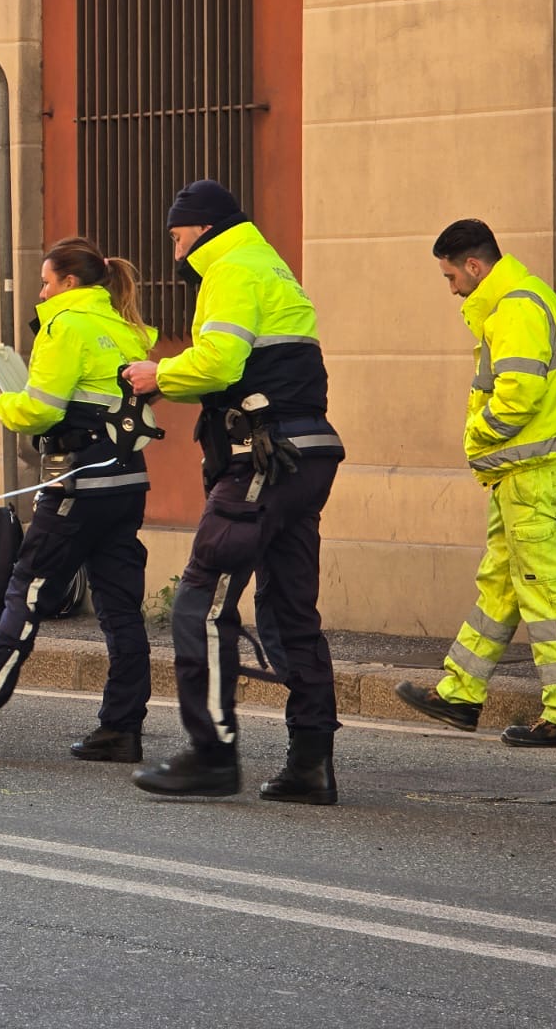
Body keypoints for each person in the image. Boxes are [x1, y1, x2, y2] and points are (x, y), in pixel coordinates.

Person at [122, 180, 346, 804]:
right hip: (306, 456)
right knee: (290, 610)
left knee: (201, 599)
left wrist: (156, 375)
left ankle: (212, 752)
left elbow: (219, 364)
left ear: (202, 227)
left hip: (261, 461)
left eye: (176, 236)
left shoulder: (230, 268)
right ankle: (310, 766)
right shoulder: (272, 267)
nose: (174, 252)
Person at [0, 237, 159, 762]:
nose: (41, 291)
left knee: (26, 593)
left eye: (46, 281)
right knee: (120, 609)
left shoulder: (64, 324)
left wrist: (6, 401)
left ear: (69, 283)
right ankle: (122, 728)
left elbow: (42, 410)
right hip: (127, 482)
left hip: (79, 481)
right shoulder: (123, 327)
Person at [395, 219, 556, 746]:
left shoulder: (516, 308)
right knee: (502, 584)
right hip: (521, 475)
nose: (452, 287)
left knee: (544, 593)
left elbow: (519, 394)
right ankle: (461, 693)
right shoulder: (520, 301)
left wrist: (476, 437)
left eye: (451, 276)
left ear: (474, 266)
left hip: (529, 474)